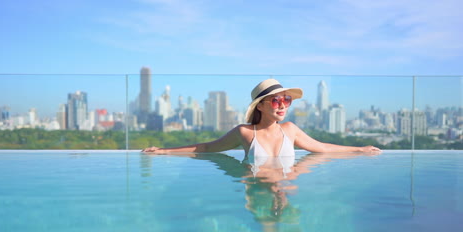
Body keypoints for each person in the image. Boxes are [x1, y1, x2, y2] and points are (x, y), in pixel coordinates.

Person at [142, 78, 381, 155]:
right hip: (254, 187)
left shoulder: (290, 130)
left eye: (286, 100)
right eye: (276, 100)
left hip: (285, 185)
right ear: (261, 106)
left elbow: (322, 148)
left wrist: (360, 149)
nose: (283, 105)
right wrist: (163, 151)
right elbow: (205, 148)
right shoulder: (244, 133)